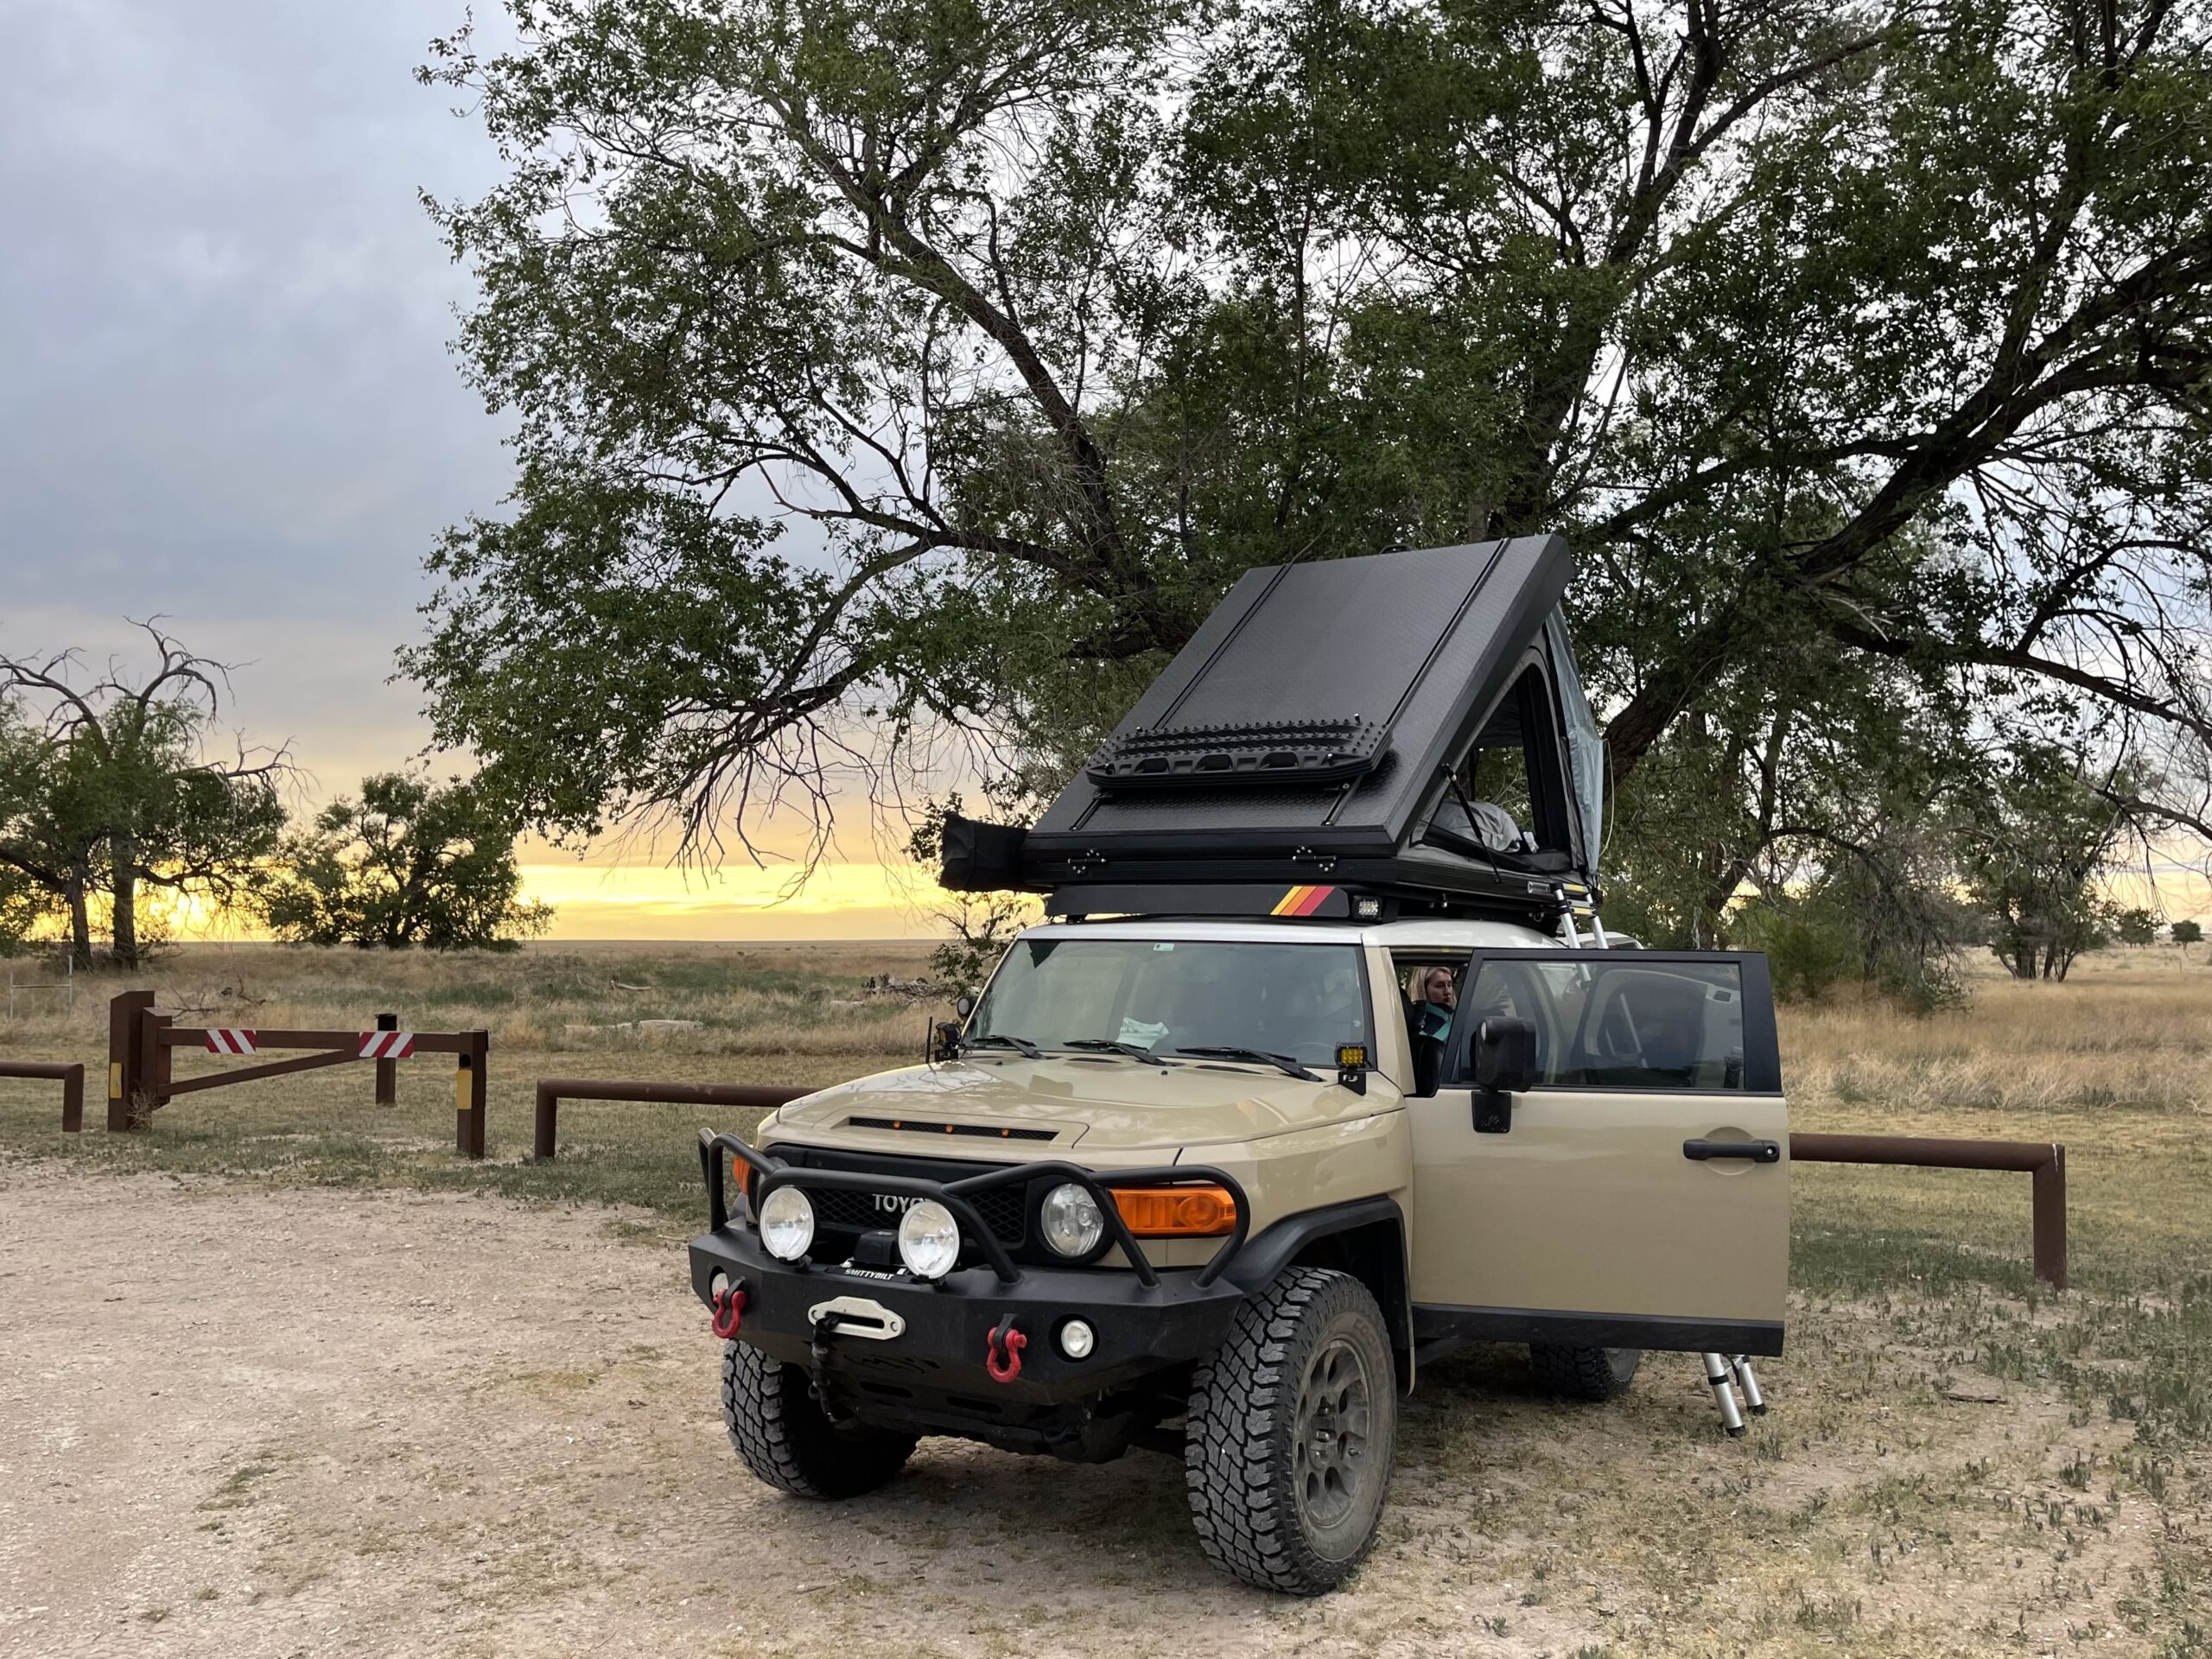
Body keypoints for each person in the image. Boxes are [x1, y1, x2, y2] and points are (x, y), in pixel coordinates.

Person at [1408, 964, 1457, 1095]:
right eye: (1440, 986)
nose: (1447, 991)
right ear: (1424, 989)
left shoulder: (1455, 1016)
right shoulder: (1422, 1025)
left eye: (1449, 984)